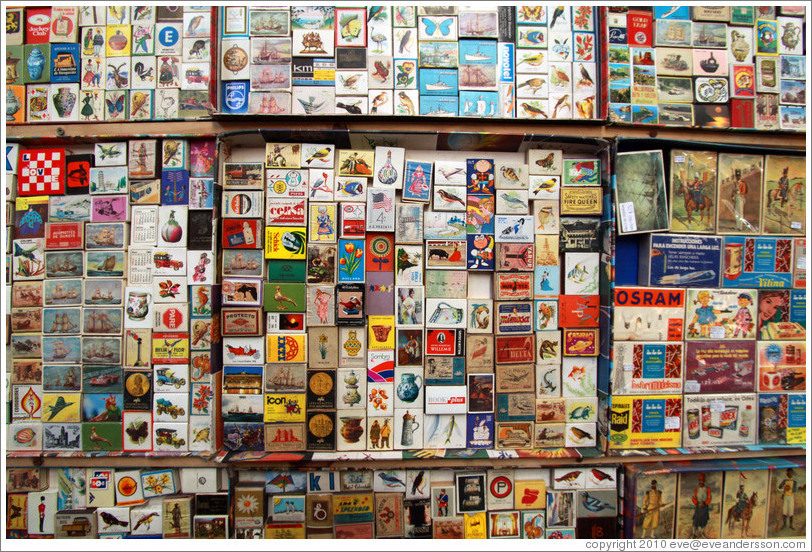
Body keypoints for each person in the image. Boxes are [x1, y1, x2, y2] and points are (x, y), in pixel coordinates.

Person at [691, 473, 712, 538]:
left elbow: (709, 497)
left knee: (704, 520)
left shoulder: (707, 489)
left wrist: (705, 503)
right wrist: (697, 503)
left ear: (704, 481)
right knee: (695, 520)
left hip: (704, 506)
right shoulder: (696, 489)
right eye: (700, 481)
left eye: (702, 481)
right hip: (698, 506)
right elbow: (693, 498)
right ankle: (694, 533)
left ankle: (702, 533)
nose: (701, 482)